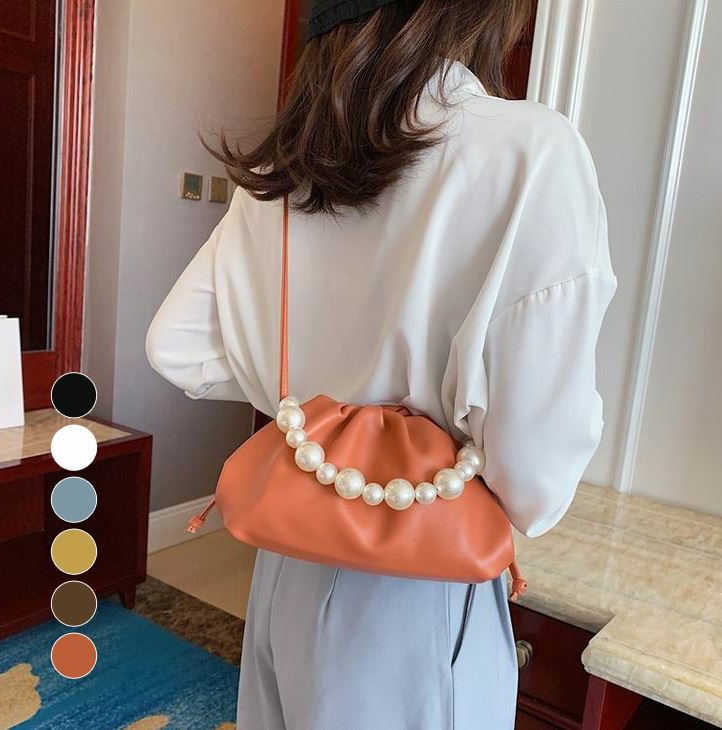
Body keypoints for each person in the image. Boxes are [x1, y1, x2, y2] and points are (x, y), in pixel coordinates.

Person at [145, 0, 617, 727]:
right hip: (419, 577)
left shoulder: (281, 171)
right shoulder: (530, 150)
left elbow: (175, 347)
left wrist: (319, 414)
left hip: (290, 553)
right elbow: (535, 487)